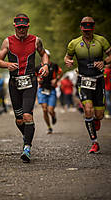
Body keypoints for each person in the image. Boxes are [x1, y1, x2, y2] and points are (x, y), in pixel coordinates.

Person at [0, 13, 49, 162]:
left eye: (24, 27)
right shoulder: (7, 41)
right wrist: (7, 64)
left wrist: (45, 65)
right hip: (14, 83)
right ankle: (27, 134)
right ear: (15, 27)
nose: (21, 30)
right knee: (19, 120)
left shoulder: (35, 40)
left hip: (30, 82)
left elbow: (44, 54)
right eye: (19, 28)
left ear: (28, 26)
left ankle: (27, 147)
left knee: (27, 116)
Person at [64, 16, 111, 153]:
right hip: (84, 80)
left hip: (99, 79)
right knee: (88, 110)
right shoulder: (74, 43)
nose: (87, 33)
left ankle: (96, 120)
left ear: (93, 28)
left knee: (99, 114)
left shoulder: (101, 41)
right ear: (81, 28)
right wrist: (68, 62)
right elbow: (67, 57)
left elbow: (110, 56)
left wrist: (104, 62)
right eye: (85, 30)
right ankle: (94, 142)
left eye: (89, 30)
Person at [36, 49, 63, 134]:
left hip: (51, 89)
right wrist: (37, 79)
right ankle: (49, 127)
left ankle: (53, 116)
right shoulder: (37, 67)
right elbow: (34, 76)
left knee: (50, 110)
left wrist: (56, 79)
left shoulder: (54, 66)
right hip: (42, 90)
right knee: (44, 109)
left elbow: (61, 73)